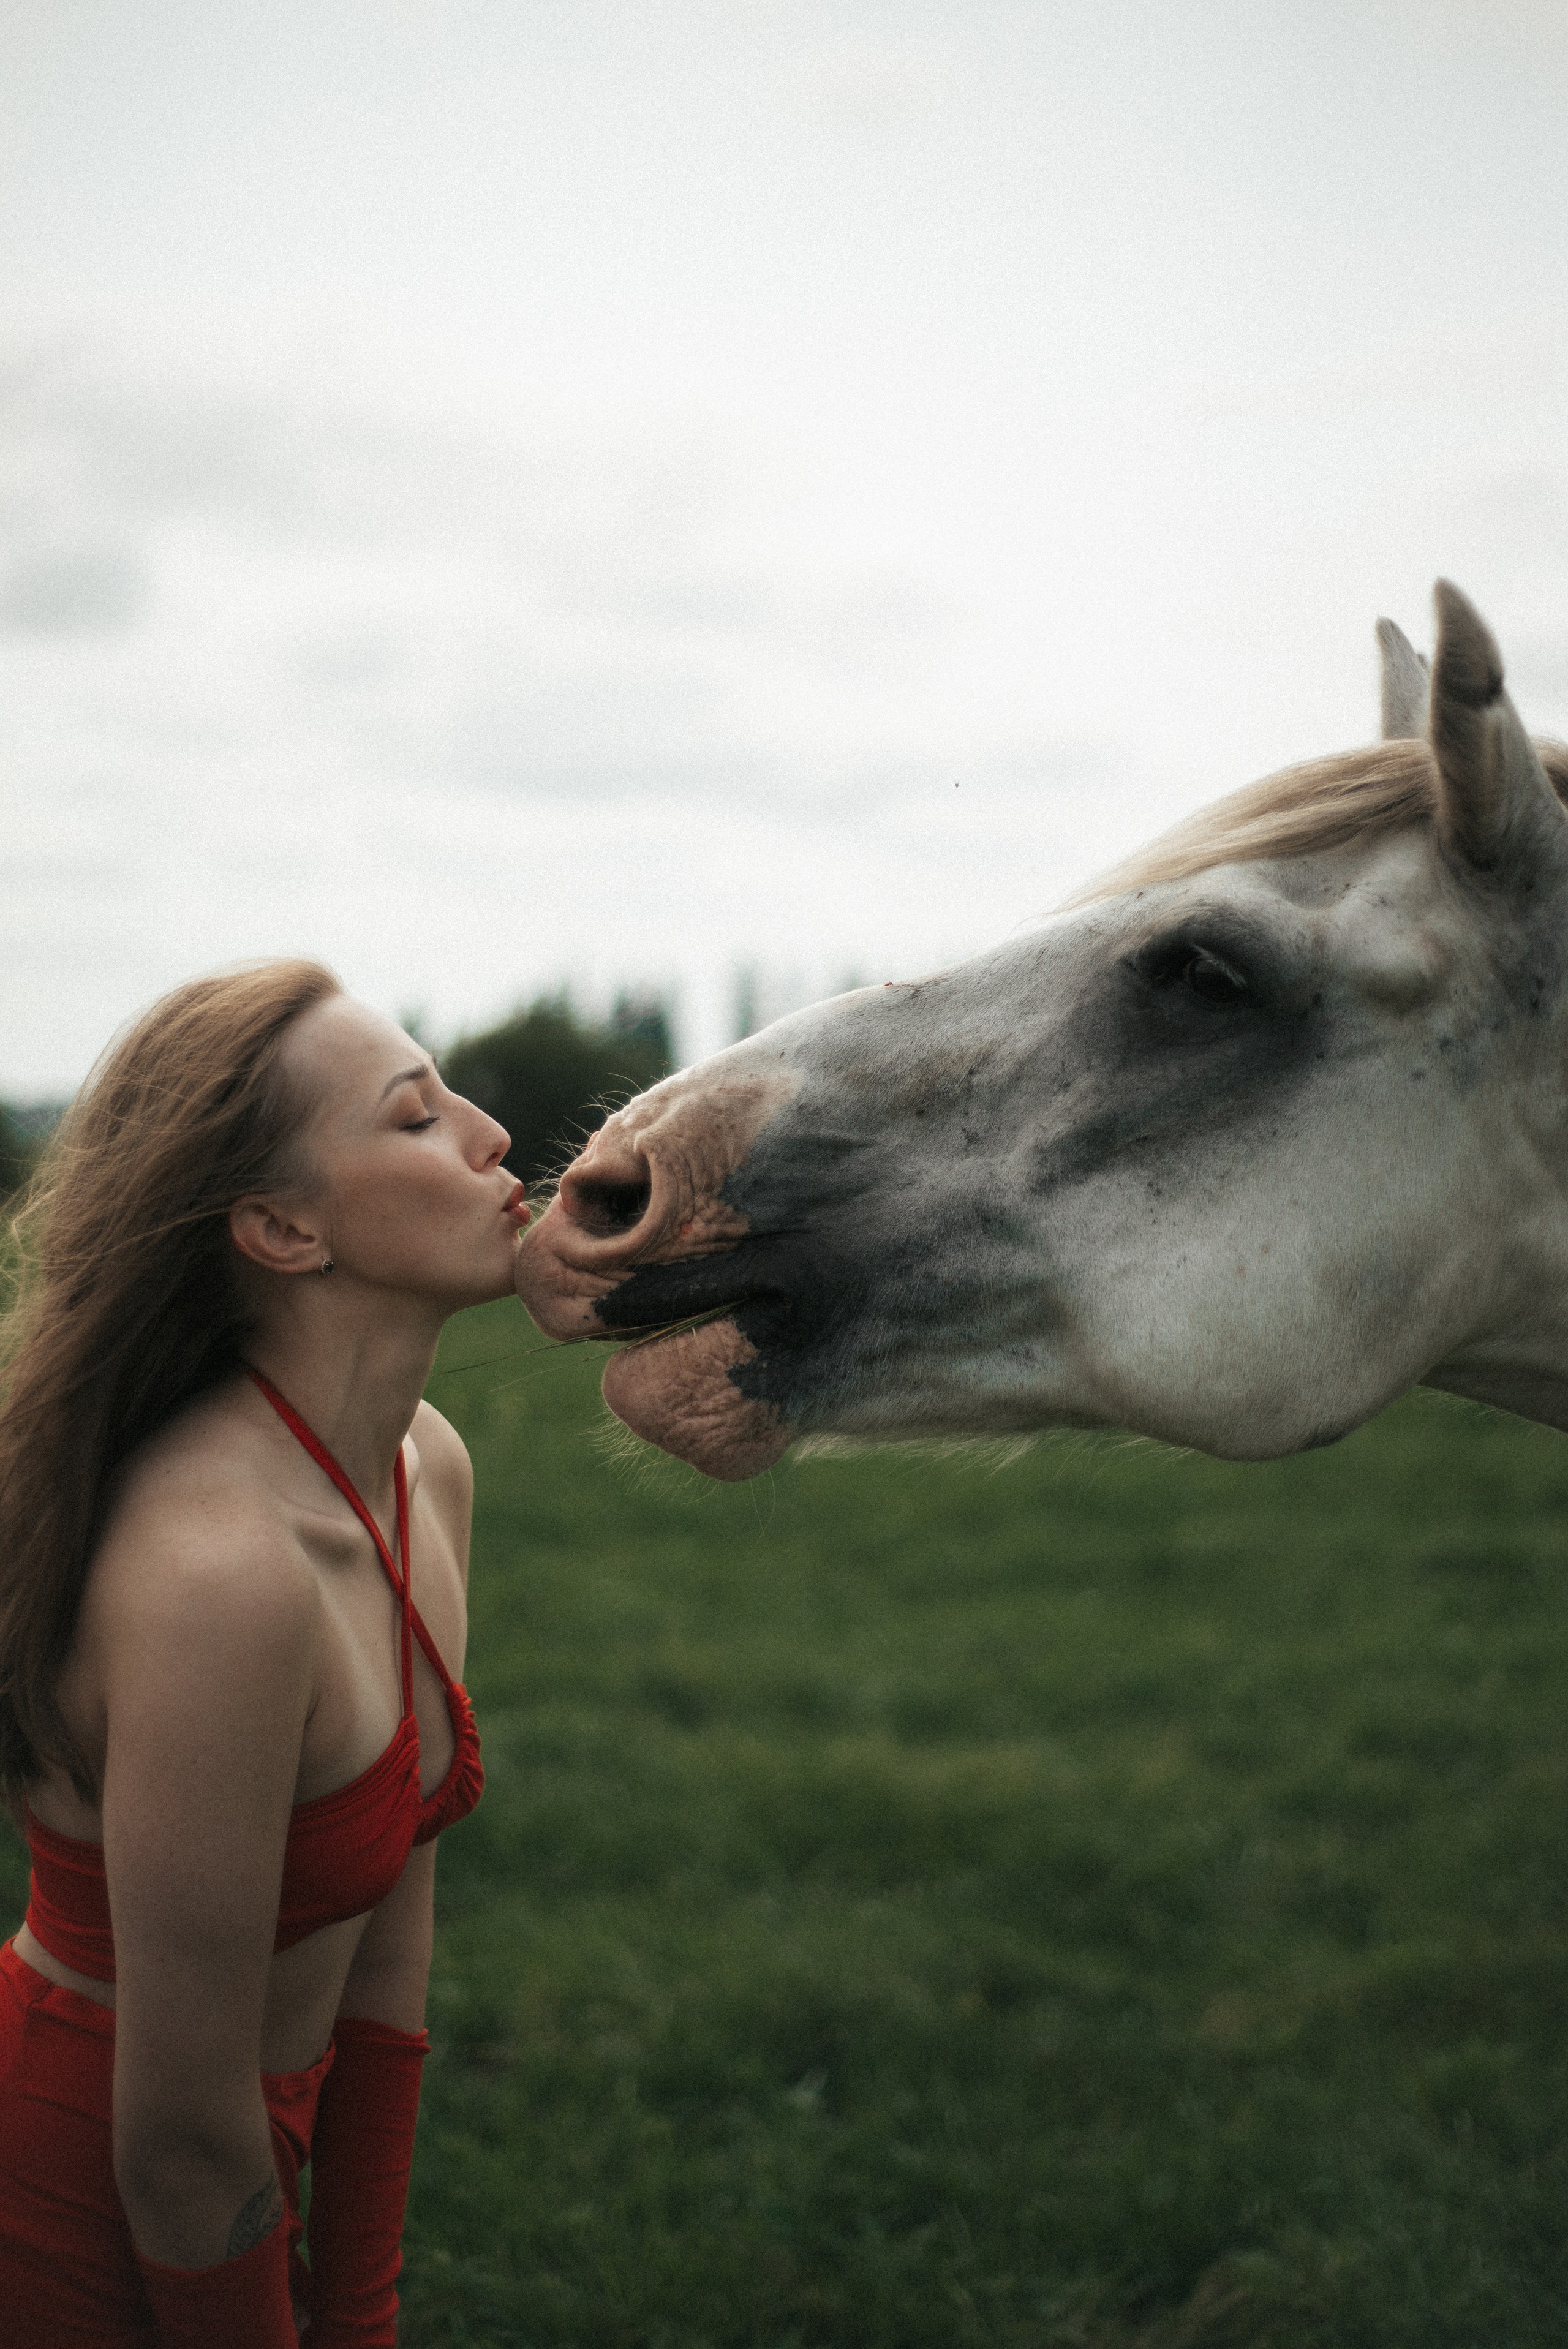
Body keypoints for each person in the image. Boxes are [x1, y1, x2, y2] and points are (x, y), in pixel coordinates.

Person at [0, 960, 526, 2345]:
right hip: (78, 2200)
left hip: (255, 2152)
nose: (492, 1137)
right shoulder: (220, 1577)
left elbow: (384, 1965)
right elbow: (178, 2141)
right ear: (283, 1228)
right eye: (416, 1118)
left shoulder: (422, 1468)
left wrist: (358, 2312)